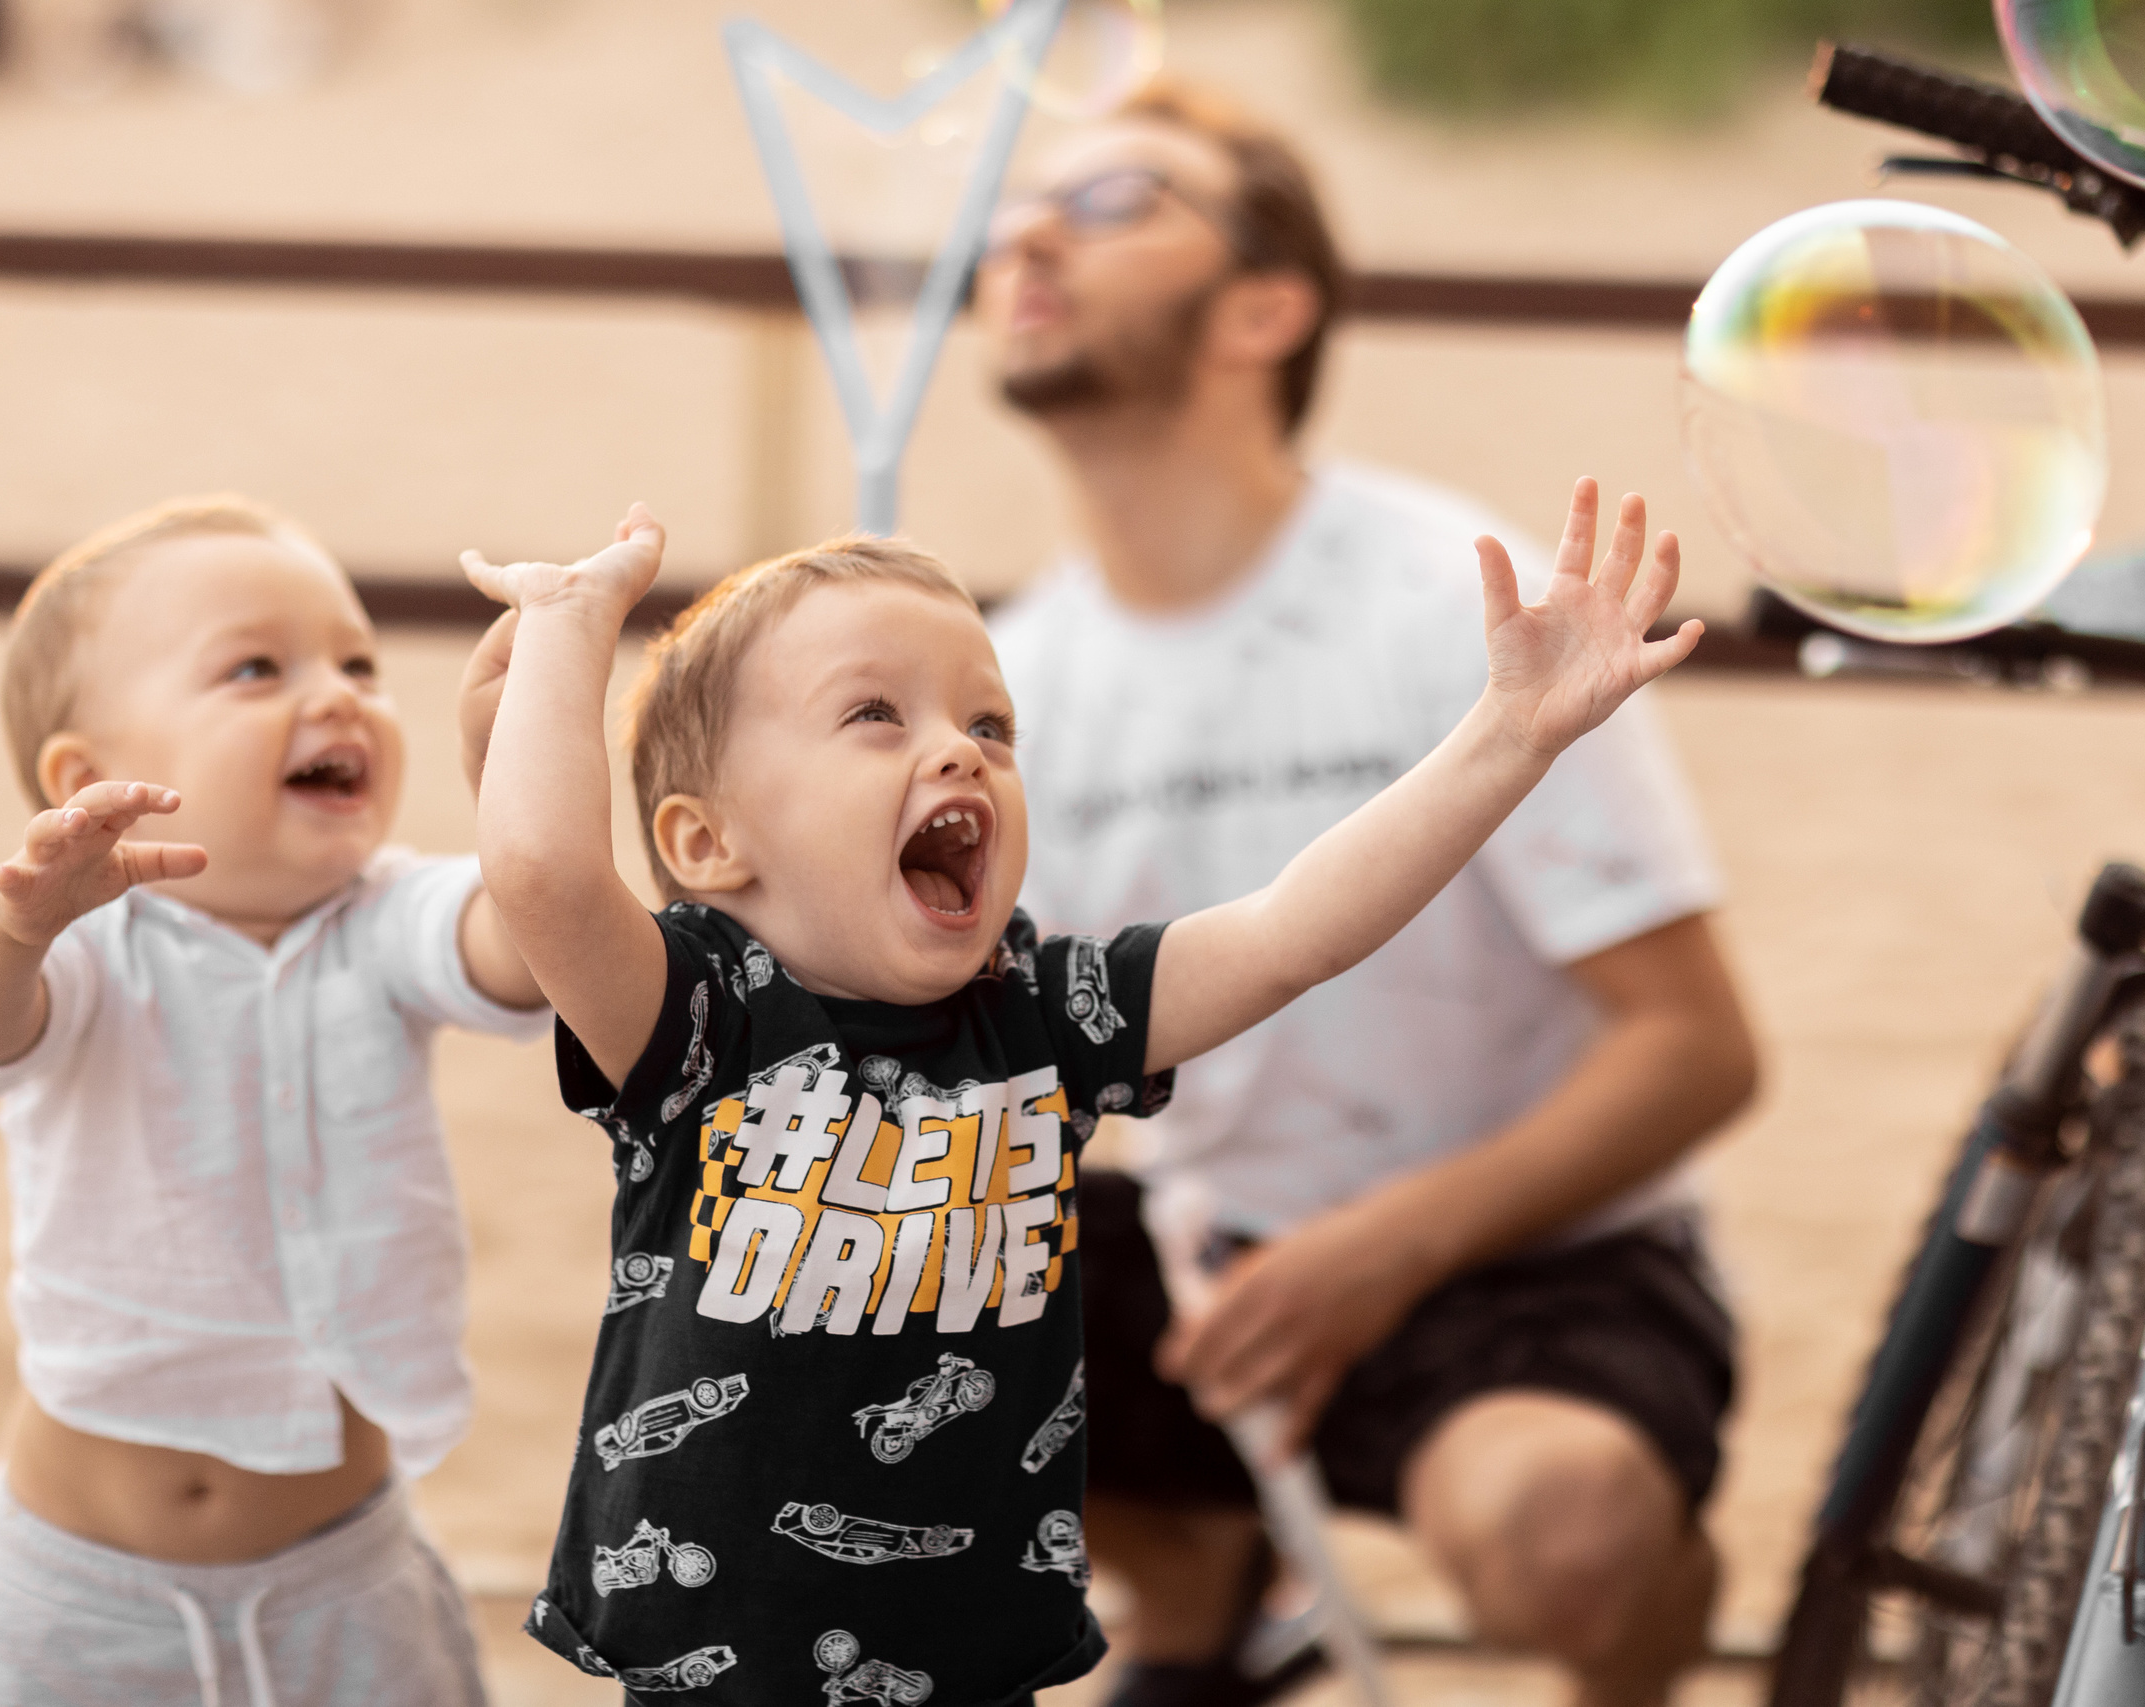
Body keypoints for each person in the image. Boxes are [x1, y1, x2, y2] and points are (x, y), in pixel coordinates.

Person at [458, 476, 1695, 1704]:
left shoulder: (1050, 1015)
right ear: (706, 845)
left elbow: (1293, 933)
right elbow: (543, 872)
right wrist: (570, 625)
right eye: (876, 716)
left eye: (990, 727)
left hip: (978, 1659)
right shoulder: (694, 1021)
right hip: (720, 1665)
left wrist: (1510, 732)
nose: (958, 749)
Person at [977, 81, 1761, 1707]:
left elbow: (1697, 1049)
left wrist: (1386, 1248)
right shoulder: (1016, 671)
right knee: (859, 1311)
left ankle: (1646, 1652)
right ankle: (1200, 1597)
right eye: (1022, 204)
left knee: (1567, 1534)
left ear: (1268, 306)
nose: (1030, 229)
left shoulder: (1440, 594)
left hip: (1527, 1255)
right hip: (1222, 1260)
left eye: (1119, 197)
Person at [0, 495, 550, 1706]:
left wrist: (510, 778)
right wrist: (10, 916)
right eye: (256, 667)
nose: (338, 693)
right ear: (90, 778)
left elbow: (526, 947)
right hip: (73, 1602)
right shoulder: (86, 950)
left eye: (358, 660)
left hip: (345, 1587)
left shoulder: (390, 920)